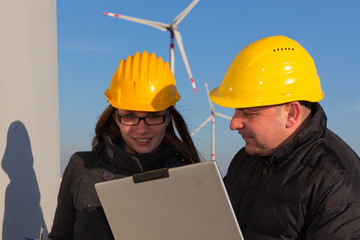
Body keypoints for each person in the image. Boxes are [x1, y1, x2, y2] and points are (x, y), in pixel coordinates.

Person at [209, 35, 360, 239]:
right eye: (236, 110)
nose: (233, 123)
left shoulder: (337, 183)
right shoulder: (245, 160)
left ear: (291, 114)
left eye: (249, 112)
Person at [47, 51, 201, 240]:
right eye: (129, 116)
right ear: (115, 118)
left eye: (153, 116)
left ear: (168, 118)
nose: (142, 129)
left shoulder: (186, 178)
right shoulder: (80, 166)